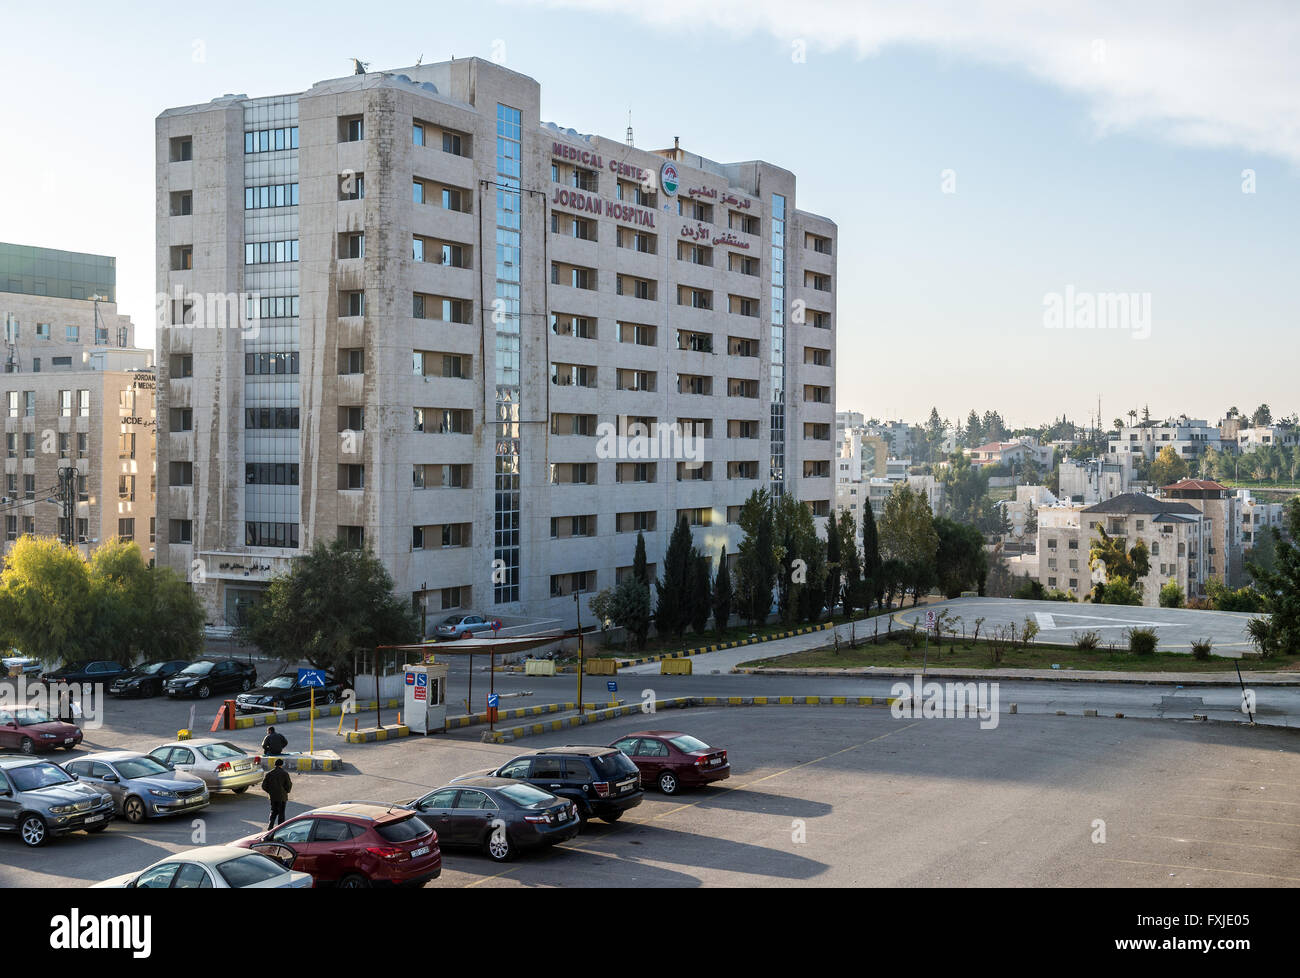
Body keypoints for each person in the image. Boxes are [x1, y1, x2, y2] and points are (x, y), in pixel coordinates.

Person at [262, 759, 292, 831]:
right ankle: (280, 829)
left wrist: (270, 792)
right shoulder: (285, 773)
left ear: (275, 764)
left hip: (273, 797)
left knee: (273, 811)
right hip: (282, 797)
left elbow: (264, 786)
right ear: (282, 765)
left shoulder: (269, 774)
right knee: (281, 813)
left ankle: (270, 826)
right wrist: (286, 791)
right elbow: (288, 785)